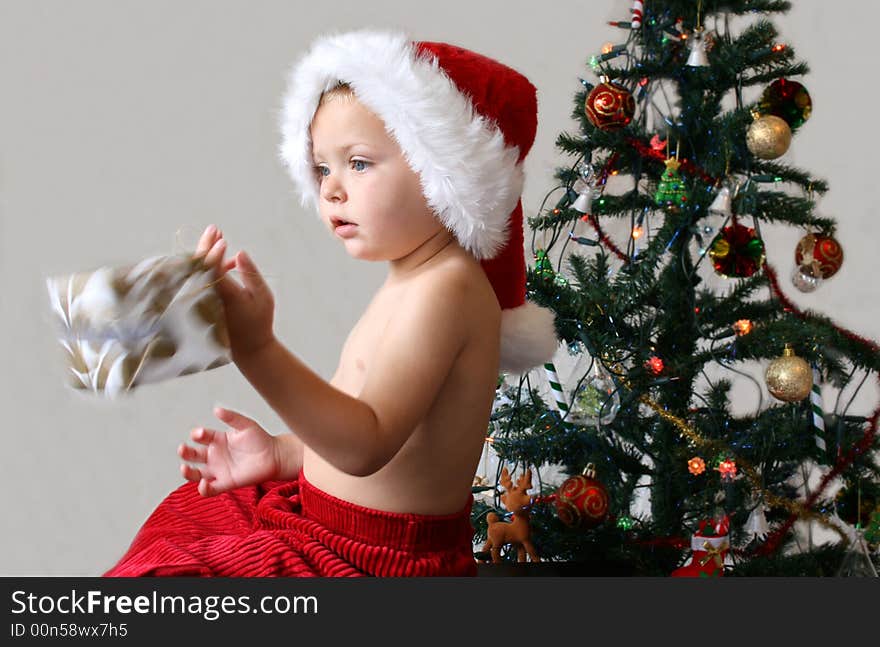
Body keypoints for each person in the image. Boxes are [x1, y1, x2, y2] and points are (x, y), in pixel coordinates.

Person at [103, 29, 557, 577]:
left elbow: (366, 444)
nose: (331, 190)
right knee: (183, 526)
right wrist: (282, 455)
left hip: (376, 560)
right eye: (322, 168)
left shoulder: (448, 291)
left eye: (359, 163)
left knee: (174, 582)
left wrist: (257, 347)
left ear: (445, 172)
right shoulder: (416, 278)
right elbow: (388, 438)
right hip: (325, 524)